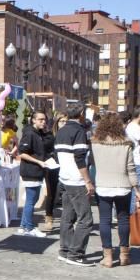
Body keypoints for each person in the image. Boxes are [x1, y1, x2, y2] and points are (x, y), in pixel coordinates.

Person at [91, 113, 140, 267]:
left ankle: (107, 257)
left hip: (102, 185)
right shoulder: (126, 144)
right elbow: (131, 169)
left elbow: (92, 164)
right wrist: (137, 189)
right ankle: (124, 255)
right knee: (123, 219)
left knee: (105, 221)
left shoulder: (94, 143)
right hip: (123, 186)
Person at [55, 104, 95, 266]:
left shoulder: (62, 130)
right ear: (81, 114)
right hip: (76, 180)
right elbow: (80, 158)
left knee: (67, 217)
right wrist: (88, 181)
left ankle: (65, 250)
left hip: (64, 178)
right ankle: (75, 254)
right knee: (86, 219)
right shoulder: (79, 131)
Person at [16, 112, 50, 238]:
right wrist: (38, 161)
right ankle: (29, 227)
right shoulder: (29, 133)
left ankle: (24, 225)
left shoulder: (38, 133)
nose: (43, 122)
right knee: (31, 200)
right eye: (40, 120)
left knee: (32, 199)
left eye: (44, 119)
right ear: (33, 120)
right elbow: (22, 152)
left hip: (37, 170)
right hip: (31, 170)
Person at [39, 112, 66, 232]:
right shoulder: (50, 135)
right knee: (52, 193)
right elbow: (43, 149)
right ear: (57, 122)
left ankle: (69, 218)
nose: (64, 124)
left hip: (66, 166)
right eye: (62, 121)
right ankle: (49, 217)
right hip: (53, 166)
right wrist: (49, 158)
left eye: (66, 121)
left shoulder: (70, 135)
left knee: (66, 193)